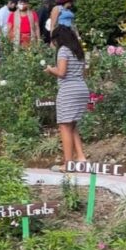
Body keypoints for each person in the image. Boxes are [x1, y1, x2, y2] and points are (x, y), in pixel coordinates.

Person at [44, 26, 89, 173]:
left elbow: (62, 72)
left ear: (58, 39)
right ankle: (81, 157)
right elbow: (83, 73)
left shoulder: (63, 50)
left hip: (68, 91)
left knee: (64, 126)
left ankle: (68, 163)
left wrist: (51, 69)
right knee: (72, 125)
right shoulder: (78, 51)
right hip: (81, 88)